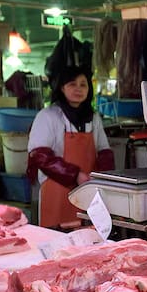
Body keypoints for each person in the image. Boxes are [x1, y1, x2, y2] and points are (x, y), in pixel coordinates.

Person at [26, 66, 114, 229]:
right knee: (57, 240)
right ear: (61, 87)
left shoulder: (93, 118)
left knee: (89, 238)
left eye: (83, 84)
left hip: (89, 189)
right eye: (72, 84)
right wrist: (74, 175)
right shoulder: (48, 116)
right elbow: (39, 155)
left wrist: (101, 177)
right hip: (57, 190)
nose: (78, 89)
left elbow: (104, 151)